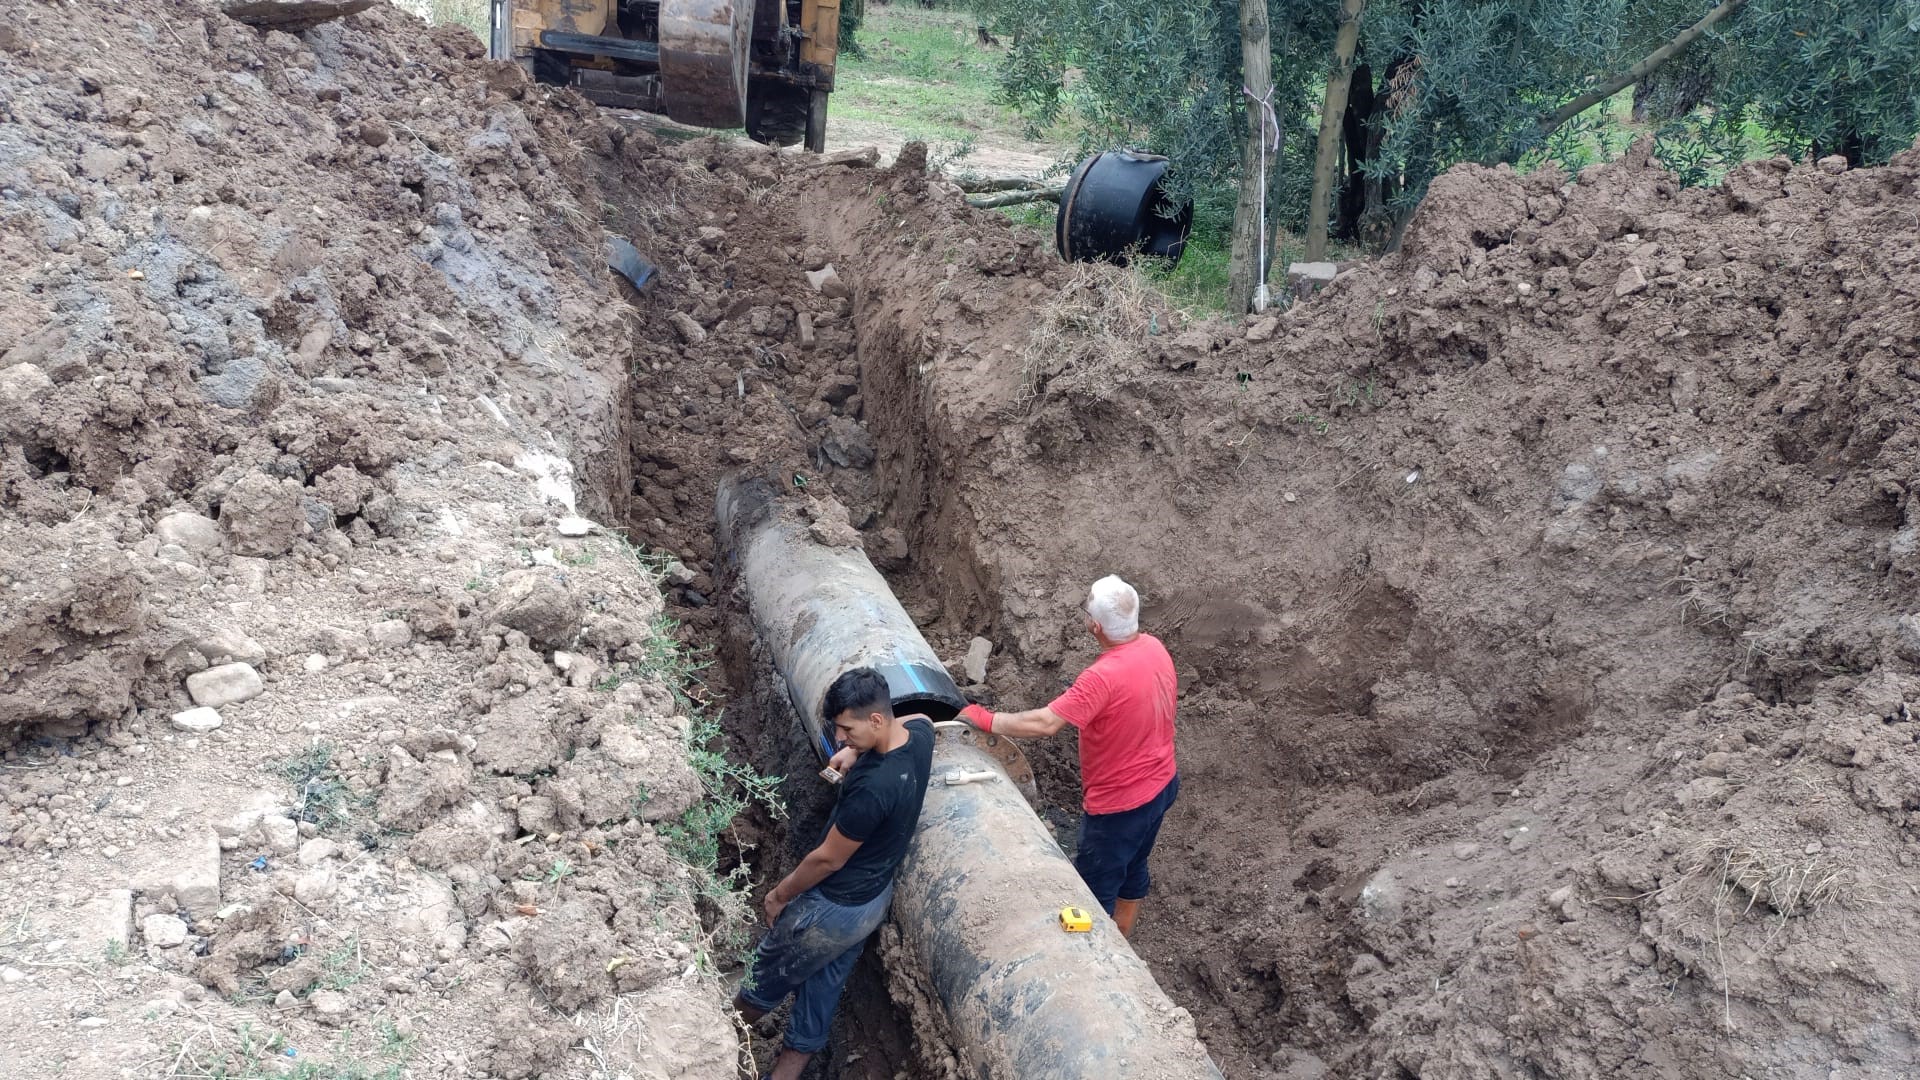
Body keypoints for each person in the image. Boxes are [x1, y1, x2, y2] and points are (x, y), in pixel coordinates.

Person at [734, 667, 933, 1080]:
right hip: (871, 902)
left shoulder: (874, 789)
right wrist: (856, 752)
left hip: (830, 910)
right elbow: (923, 718)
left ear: (875, 720)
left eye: (845, 730)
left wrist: (780, 895)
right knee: (820, 993)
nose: (839, 739)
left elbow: (828, 859)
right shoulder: (918, 740)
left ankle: (711, 1041)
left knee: (762, 983)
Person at [957, 574, 1179, 938]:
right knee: (1135, 865)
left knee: (1092, 894)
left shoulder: (1101, 677)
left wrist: (986, 719)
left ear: (1094, 626)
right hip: (1163, 785)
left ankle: (1102, 960)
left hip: (1120, 806)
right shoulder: (1154, 647)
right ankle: (1124, 935)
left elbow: (1046, 723)